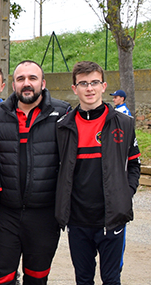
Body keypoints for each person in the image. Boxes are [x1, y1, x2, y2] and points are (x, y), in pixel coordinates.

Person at [55, 61, 140, 285]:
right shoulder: (63, 127)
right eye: (83, 83)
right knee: (83, 279)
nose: (89, 88)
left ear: (103, 86)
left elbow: (134, 165)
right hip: (78, 220)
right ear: (75, 88)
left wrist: (124, 194)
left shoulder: (124, 123)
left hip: (111, 219)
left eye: (94, 82)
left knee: (111, 279)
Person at [0, 60, 70, 285]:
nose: (27, 84)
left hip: (44, 215)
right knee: (1, 279)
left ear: (43, 83)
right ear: (13, 85)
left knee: (37, 278)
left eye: (32, 78)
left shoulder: (62, 113)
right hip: (6, 215)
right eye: (21, 79)